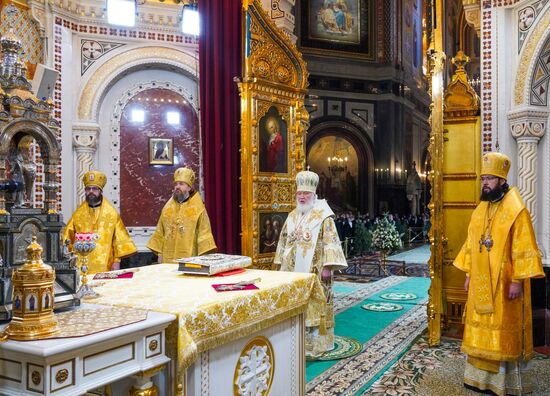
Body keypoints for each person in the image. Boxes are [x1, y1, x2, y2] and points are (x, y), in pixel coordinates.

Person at [453, 152, 545, 396]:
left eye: (490, 178)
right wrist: (469, 274)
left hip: (505, 284)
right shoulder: (481, 208)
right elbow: (473, 243)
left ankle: (503, 383)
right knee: (480, 328)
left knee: (502, 328)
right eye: (483, 178)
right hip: (481, 280)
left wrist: (516, 280)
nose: (485, 183)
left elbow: (523, 247)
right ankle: (478, 379)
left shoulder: (516, 210)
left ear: (502, 180)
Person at [274, 169, 347, 357]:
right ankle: (296, 342)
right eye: (299, 193)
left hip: (316, 270)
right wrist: (280, 262)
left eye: (306, 193)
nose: (302, 197)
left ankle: (317, 345)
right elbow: (283, 240)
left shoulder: (323, 216)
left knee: (316, 308)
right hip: (293, 273)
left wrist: (328, 266)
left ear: (314, 195)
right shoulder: (292, 216)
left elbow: (330, 241)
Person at [63, 170, 137, 274]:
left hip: (105, 264)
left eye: (94, 189)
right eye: (88, 189)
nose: (91, 191)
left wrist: (116, 262)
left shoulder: (111, 213)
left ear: (100, 191)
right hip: (81, 264)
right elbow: (67, 239)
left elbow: (118, 240)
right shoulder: (78, 214)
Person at [147, 167, 216, 263]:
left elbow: (204, 234)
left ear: (189, 187)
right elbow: (160, 233)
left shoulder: (198, 209)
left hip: (191, 258)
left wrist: (202, 260)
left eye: (181, 184)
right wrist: (160, 257)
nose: (177, 187)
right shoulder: (167, 208)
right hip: (168, 259)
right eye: (176, 184)